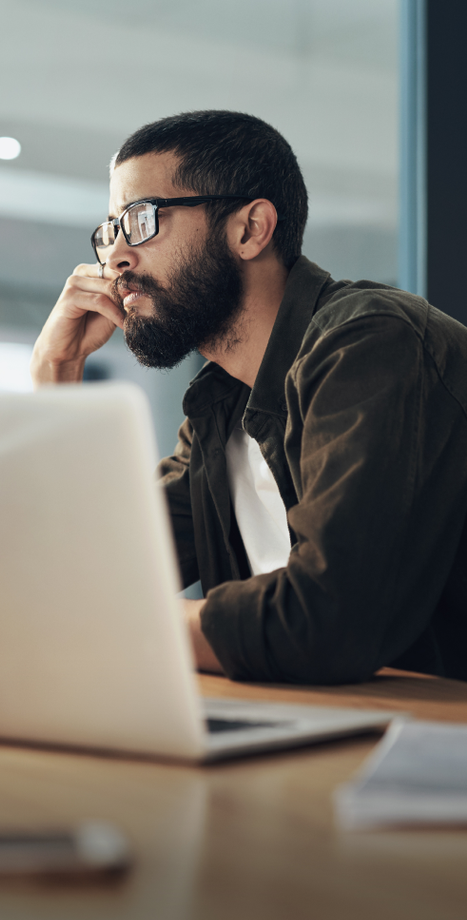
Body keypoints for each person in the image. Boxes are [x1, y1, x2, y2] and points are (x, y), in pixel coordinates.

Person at [31, 110, 467, 684]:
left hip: (427, 732)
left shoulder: (373, 343)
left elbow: (325, 621)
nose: (114, 257)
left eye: (140, 220)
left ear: (250, 229)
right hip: (303, 723)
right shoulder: (219, 412)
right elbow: (88, 574)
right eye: (110, 231)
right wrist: (57, 373)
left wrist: (129, 623)